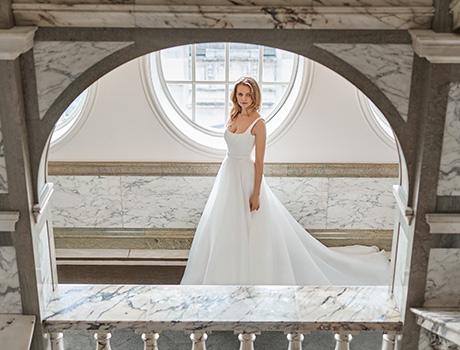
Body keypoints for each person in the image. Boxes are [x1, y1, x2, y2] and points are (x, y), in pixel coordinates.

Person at [181, 76, 390, 285]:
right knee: (223, 225)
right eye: (240, 94)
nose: (243, 98)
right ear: (235, 95)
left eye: (247, 94)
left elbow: (260, 162)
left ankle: (251, 273)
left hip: (245, 176)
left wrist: (256, 193)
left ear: (255, 97)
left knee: (251, 226)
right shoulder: (233, 117)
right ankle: (223, 272)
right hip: (227, 174)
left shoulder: (258, 123)